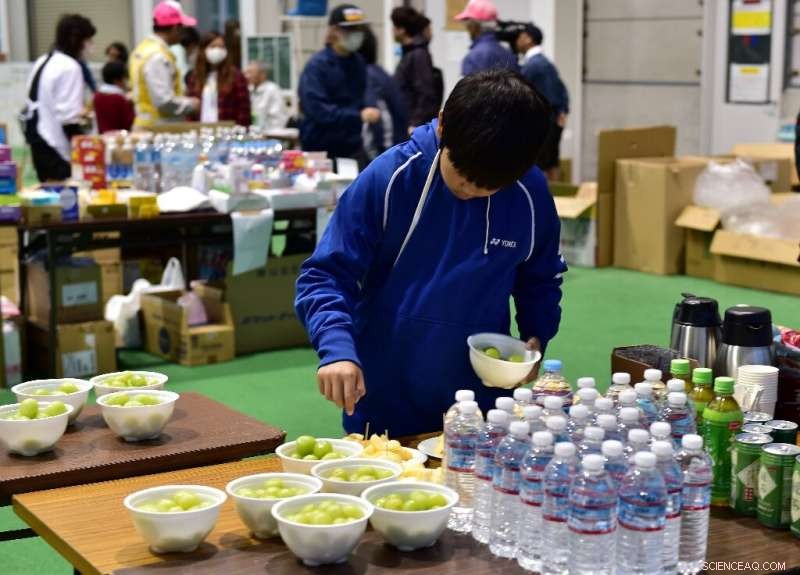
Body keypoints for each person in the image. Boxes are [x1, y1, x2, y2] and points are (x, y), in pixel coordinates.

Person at [295, 69, 566, 436]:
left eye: (492, 186)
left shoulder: (529, 192)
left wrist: (536, 335)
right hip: (385, 392)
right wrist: (337, 349)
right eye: (464, 176)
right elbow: (326, 274)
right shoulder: (391, 177)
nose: (475, 191)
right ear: (441, 127)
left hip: (479, 403)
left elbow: (541, 277)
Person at [298, 4, 380, 164]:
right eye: (350, 30)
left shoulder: (358, 63)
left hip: (351, 148)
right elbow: (318, 110)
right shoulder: (317, 66)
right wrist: (358, 116)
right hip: (320, 150)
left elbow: (363, 98)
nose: (356, 35)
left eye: (359, 30)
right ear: (334, 31)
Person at [23, 14, 96, 181]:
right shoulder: (70, 67)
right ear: (75, 39)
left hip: (38, 139)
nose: (90, 46)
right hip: (55, 145)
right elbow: (69, 118)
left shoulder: (43, 60)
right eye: (88, 40)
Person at [129, 1, 199, 129]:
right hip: (158, 128)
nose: (183, 33)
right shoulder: (158, 57)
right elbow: (163, 102)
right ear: (175, 28)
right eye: (182, 28)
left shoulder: (143, 49)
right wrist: (191, 105)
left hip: (148, 125)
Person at [517, 24, 569, 180]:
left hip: (543, 121)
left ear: (528, 39)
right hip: (552, 119)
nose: (517, 41)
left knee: (542, 165)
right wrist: (563, 110)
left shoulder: (535, 64)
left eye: (520, 37)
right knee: (551, 162)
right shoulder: (544, 63)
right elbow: (561, 89)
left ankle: (545, 201)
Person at [358, 27, 407, 160]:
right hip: (395, 151)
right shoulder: (381, 74)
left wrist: (378, 161)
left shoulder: (368, 76)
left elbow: (382, 122)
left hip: (384, 155)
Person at [391, 7, 440, 133]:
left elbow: (425, 91)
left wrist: (415, 123)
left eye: (394, 27)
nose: (392, 31)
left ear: (401, 30)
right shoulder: (410, 52)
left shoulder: (418, 54)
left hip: (413, 127)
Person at [187, 32, 251, 126]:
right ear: (203, 50)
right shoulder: (195, 77)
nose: (217, 50)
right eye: (213, 46)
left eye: (221, 47)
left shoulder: (236, 76)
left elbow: (244, 110)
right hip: (201, 131)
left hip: (227, 133)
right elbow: (190, 110)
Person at [456, 0, 518, 77]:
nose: (468, 28)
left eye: (468, 25)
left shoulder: (473, 57)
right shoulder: (509, 55)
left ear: (474, 26)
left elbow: (469, 88)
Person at [245, 61, 289, 130]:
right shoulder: (248, 89)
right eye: (247, 73)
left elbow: (278, 119)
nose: (247, 76)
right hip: (253, 134)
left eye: (251, 72)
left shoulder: (272, 90)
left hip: (270, 135)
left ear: (262, 74)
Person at [94, 61, 134, 133]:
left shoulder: (98, 95)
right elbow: (128, 121)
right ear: (117, 80)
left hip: (102, 134)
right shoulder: (118, 98)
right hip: (118, 136)